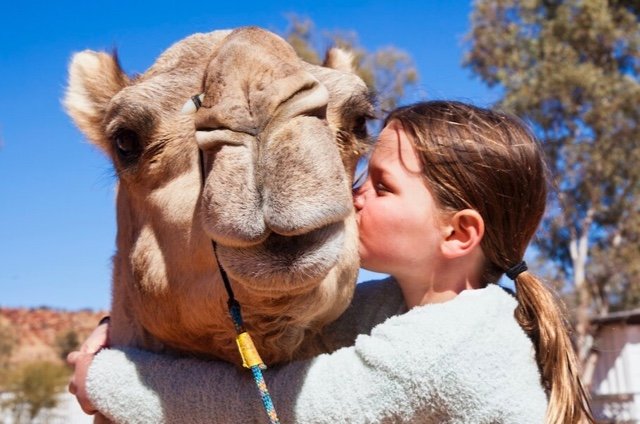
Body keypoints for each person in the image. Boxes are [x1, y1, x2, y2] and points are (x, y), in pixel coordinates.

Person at [68, 101, 594, 423]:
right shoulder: (394, 308)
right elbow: (270, 325)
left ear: (457, 233)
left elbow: (263, 410)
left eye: (381, 186)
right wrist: (117, 326)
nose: (352, 193)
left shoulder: (451, 343)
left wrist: (105, 378)